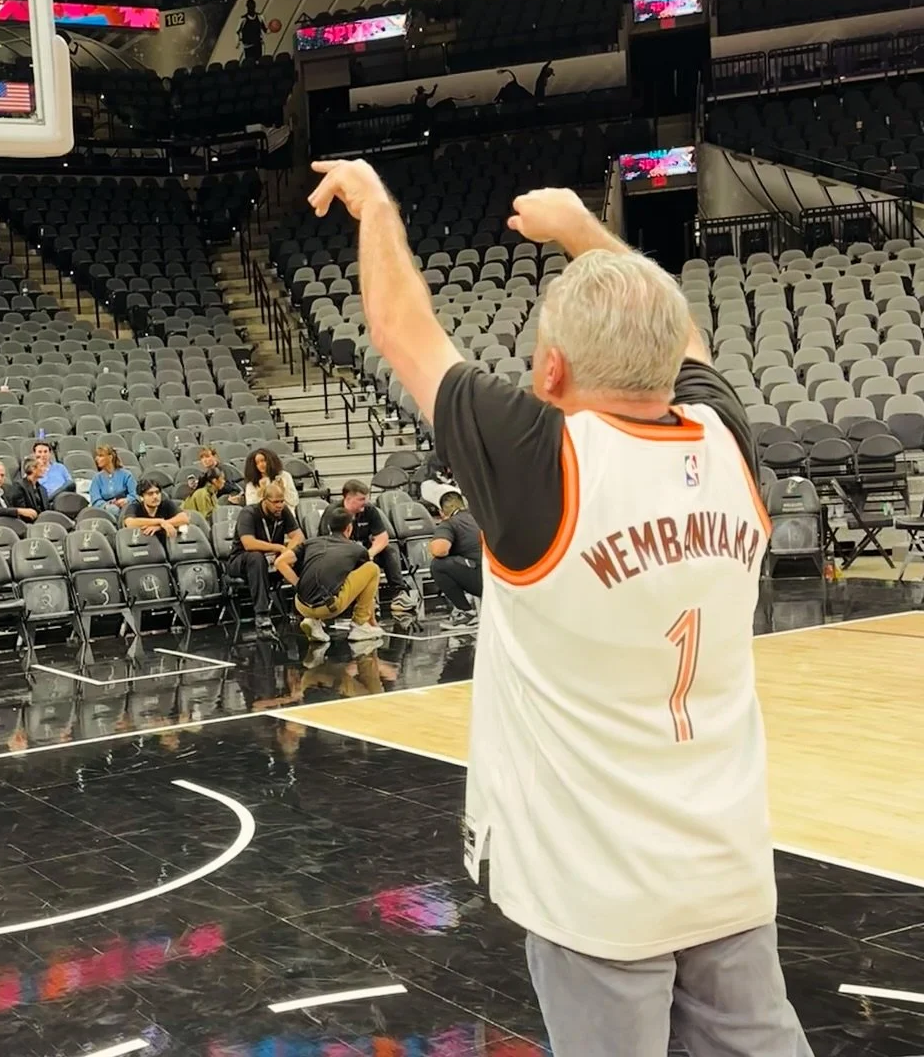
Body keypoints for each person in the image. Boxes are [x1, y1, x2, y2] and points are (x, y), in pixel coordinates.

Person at [306, 161, 803, 1057]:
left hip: (601, 889)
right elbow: (683, 339)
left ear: (552, 367)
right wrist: (583, 230)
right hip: (728, 859)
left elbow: (399, 327)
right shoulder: (730, 443)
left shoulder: (545, 462)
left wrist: (376, 202)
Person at [274, 504, 385, 645]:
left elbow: (280, 562)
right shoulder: (357, 549)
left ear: (328, 527)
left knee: (325, 579)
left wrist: (298, 584)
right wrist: (372, 621)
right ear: (349, 528)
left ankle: (313, 622)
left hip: (301, 605)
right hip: (328, 607)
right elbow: (366, 583)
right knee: (372, 569)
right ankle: (360, 625)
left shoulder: (310, 543)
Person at [226, 479, 302, 634]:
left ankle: (302, 606)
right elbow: (248, 543)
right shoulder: (248, 513)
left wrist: (288, 552)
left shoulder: (283, 511)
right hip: (241, 559)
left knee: (300, 554)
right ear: (265, 501)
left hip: (273, 558)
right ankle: (262, 614)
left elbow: (299, 536)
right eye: (275, 502)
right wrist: (279, 547)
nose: (279, 505)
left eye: (281, 501)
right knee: (256, 557)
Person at [339, 478, 418, 615]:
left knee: (389, 552)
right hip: (343, 554)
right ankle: (365, 600)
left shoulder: (369, 510)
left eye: (366, 498)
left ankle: (399, 594)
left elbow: (383, 538)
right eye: (361, 499)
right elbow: (331, 543)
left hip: (365, 552)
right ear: (348, 498)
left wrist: (370, 553)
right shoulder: (334, 513)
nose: (366, 502)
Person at [430, 491, 482, 616]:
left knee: (438, 565)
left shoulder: (450, 523)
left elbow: (439, 550)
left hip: (482, 580)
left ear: (442, 512)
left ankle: (465, 612)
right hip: (504, 576)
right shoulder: (481, 517)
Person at [123, 479, 190, 536]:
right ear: (141, 497)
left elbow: (184, 519)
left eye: (157, 492)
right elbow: (130, 523)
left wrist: (160, 526)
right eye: (150, 494)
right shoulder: (134, 507)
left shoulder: (167, 504)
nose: (155, 496)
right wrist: (160, 521)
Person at [89, 444, 137, 509]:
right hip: (106, 510)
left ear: (110, 457)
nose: (97, 458)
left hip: (125, 507)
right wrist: (108, 505)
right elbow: (95, 500)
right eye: (97, 456)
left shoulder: (126, 475)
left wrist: (127, 500)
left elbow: (134, 494)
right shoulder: (97, 478)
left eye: (101, 456)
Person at [237, 0, 266, 64]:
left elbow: (265, 30)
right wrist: (238, 42)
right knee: (249, 63)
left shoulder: (259, 17)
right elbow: (237, 31)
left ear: (254, 6)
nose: (251, 8)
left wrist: (272, 29)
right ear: (247, 7)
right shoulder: (243, 19)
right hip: (248, 45)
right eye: (249, 6)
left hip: (257, 44)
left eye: (252, 6)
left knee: (259, 62)